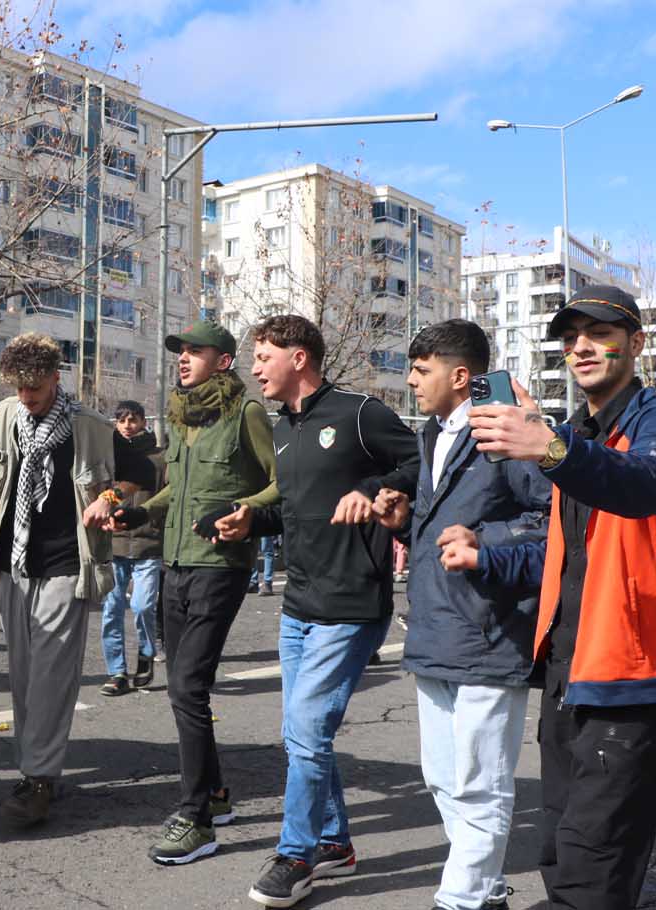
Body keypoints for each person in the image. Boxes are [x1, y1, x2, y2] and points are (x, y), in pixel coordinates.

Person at [445, 286, 656, 910]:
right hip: (569, 665)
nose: (582, 346)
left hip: (630, 671)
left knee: (595, 857)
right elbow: (569, 553)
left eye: (600, 333)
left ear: (636, 344)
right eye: (572, 336)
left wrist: (551, 447)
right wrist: (488, 554)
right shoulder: (579, 436)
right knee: (561, 844)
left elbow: (643, 486)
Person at [216, 314, 420, 907]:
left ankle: (295, 855)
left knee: (306, 732)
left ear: (298, 357)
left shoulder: (360, 415)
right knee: (299, 734)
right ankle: (335, 845)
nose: (255, 368)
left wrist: (379, 487)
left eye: (262, 356)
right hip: (299, 603)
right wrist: (253, 518)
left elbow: (422, 464)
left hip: (352, 603)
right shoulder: (283, 428)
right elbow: (301, 511)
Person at [369, 320, 550, 910]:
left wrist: (485, 544)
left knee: (480, 780)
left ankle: (463, 897)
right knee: (443, 777)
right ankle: (487, 888)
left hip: (490, 630)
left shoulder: (505, 427)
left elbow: (556, 522)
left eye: (422, 370)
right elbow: (445, 516)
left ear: (461, 375)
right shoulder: (433, 432)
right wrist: (405, 520)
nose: (412, 381)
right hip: (435, 626)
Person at [105, 323, 278, 864]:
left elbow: (281, 480)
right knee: (184, 687)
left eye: (194, 351)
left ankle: (196, 816)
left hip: (219, 565)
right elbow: (175, 489)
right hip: (173, 560)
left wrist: (243, 511)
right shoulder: (181, 417)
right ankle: (218, 792)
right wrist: (138, 512)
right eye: (179, 351)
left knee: (186, 687)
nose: (183, 359)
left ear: (223, 362)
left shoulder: (246, 413)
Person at [0, 333, 150, 826]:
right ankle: (36, 769)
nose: (28, 399)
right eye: (20, 390)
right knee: (24, 677)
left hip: (67, 563)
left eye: (36, 390)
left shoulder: (89, 426)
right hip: (11, 562)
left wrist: (107, 500)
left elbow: (139, 475)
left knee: (49, 677)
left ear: (55, 379)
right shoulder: (7, 416)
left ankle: (39, 778)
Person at [97, 400, 166, 696]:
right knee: (111, 609)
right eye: (122, 419)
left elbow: (167, 499)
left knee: (142, 605)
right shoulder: (106, 456)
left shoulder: (160, 458)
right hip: (113, 545)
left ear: (143, 422)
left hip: (149, 545)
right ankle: (116, 672)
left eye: (133, 419)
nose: (127, 424)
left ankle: (146, 655)